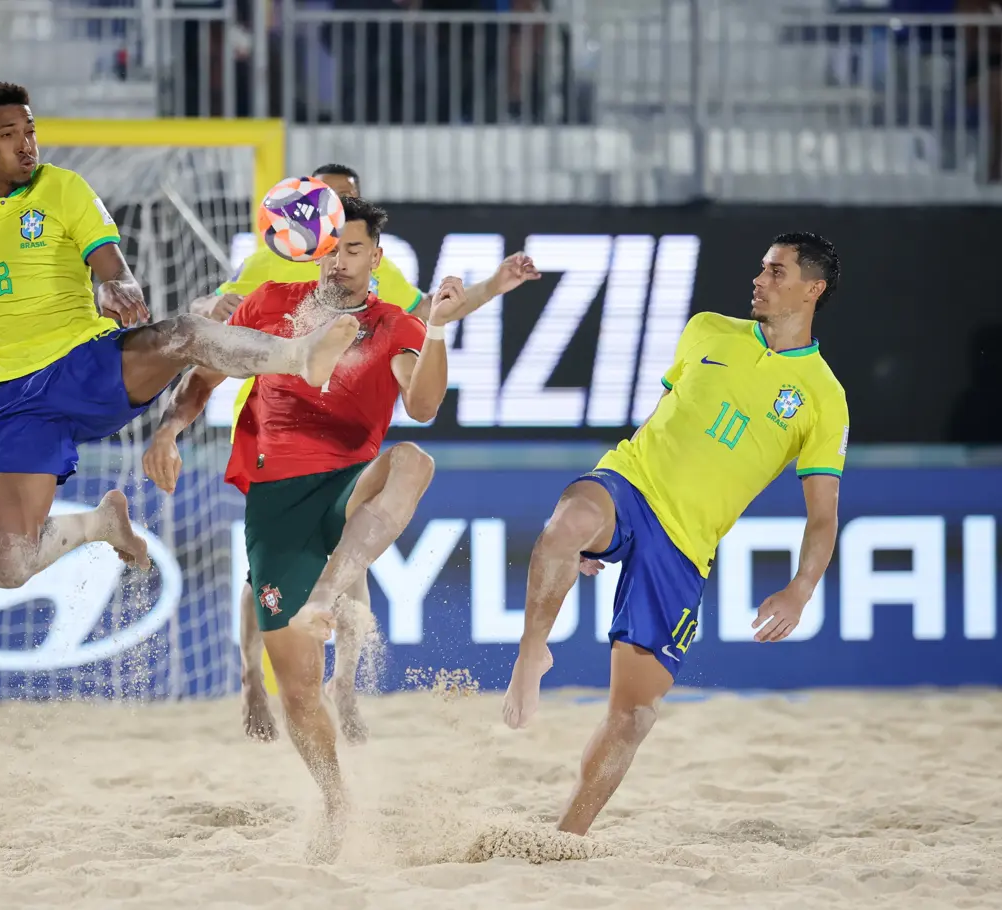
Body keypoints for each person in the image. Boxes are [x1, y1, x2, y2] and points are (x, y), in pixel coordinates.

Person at [0, 82, 360, 591]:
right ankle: (102, 523)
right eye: (9, 135)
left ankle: (301, 354)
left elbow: (112, 265)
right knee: (6, 567)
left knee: (182, 333)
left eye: (30, 132)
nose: (26, 145)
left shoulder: (63, 188)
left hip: (85, 364)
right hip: (13, 398)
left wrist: (115, 287)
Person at [144, 196, 468, 863]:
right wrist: (171, 428)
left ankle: (331, 590)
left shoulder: (391, 325)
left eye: (355, 249)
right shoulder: (269, 301)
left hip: (347, 488)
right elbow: (206, 374)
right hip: (275, 502)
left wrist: (435, 327)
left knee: (412, 460)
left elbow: (425, 406)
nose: (341, 261)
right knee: (297, 689)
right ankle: (337, 801)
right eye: (332, 248)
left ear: (376, 256)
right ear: (312, 247)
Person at [501, 233, 849, 837]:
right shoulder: (707, 329)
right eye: (762, 267)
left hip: (685, 546)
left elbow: (823, 516)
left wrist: (800, 588)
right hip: (630, 484)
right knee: (566, 528)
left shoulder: (824, 397)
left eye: (776, 271)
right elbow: (662, 420)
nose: (759, 279)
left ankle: (566, 839)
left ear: (812, 289)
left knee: (633, 716)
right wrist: (602, 529)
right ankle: (534, 650)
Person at [190, 162, 541, 743]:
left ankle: (345, 686)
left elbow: (421, 319)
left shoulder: (377, 279)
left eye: (348, 203)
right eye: (329, 204)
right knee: (264, 575)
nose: (338, 223)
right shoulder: (271, 264)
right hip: (269, 435)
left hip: (348, 445)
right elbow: (217, 318)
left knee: (351, 571)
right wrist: (207, 309)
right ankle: (254, 676)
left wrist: (491, 288)